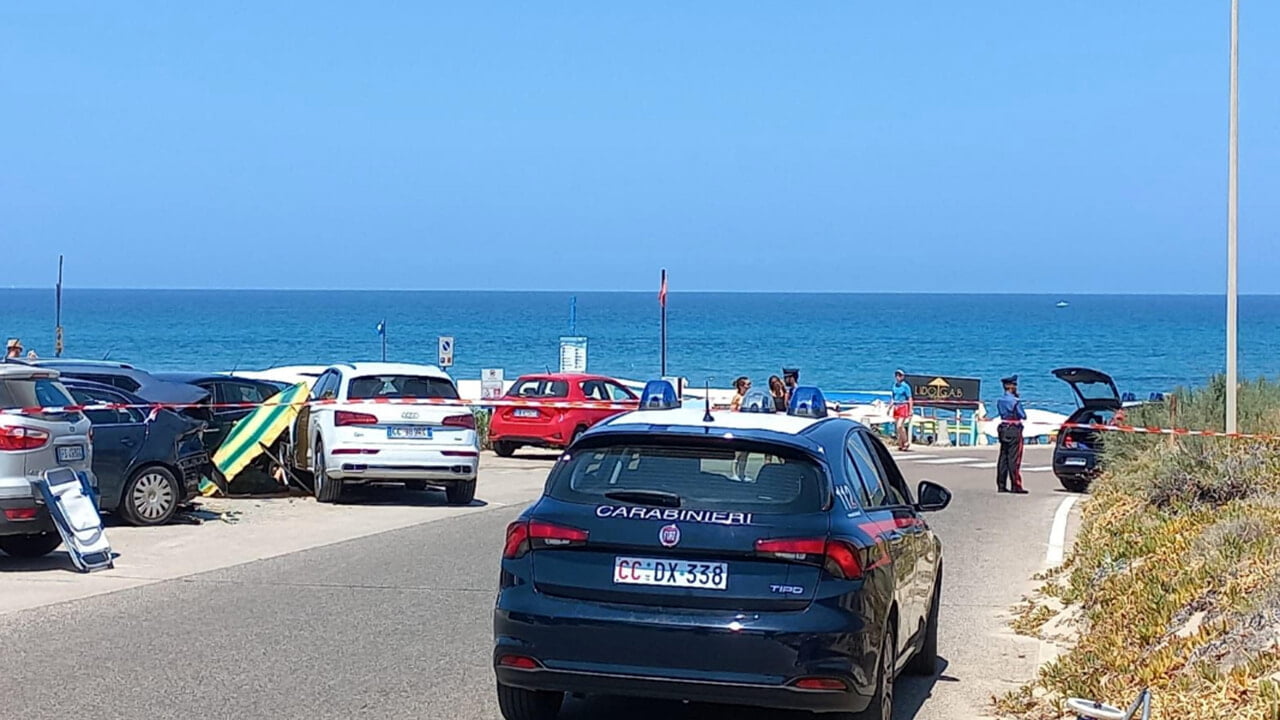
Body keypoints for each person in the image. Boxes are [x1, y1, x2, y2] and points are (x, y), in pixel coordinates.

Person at [996, 375, 1028, 494]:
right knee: (1014, 458)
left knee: (1003, 457)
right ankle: (1016, 485)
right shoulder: (1015, 401)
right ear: (1010, 387)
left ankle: (1001, 485)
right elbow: (1023, 415)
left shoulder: (1000, 400)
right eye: (1014, 385)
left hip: (1003, 428)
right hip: (1014, 429)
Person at [891, 369, 914, 451]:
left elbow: (910, 398)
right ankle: (901, 444)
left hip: (903, 406)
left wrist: (910, 409)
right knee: (898, 427)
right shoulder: (894, 386)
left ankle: (906, 441)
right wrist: (889, 407)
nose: (898, 377)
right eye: (897, 375)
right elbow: (893, 398)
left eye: (900, 375)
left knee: (900, 425)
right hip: (896, 407)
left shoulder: (905, 386)